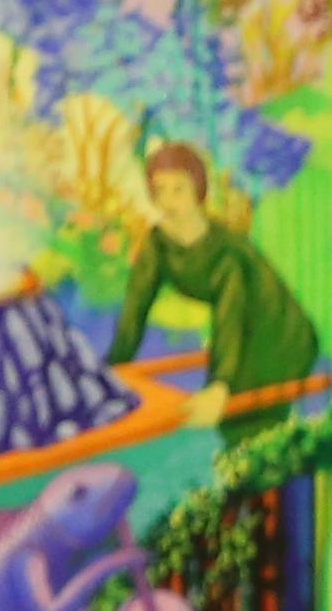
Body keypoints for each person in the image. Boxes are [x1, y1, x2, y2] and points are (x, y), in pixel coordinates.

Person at [107, 141, 320, 420]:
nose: (168, 201)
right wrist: (113, 368)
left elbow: (230, 315)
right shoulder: (158, 244)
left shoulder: (226, 254)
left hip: (279, 331)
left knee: (243, 417)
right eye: (160, 190)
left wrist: (220, 384)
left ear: (198, 190)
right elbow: (135, 308)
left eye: (178, 189)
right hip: (239, 329)